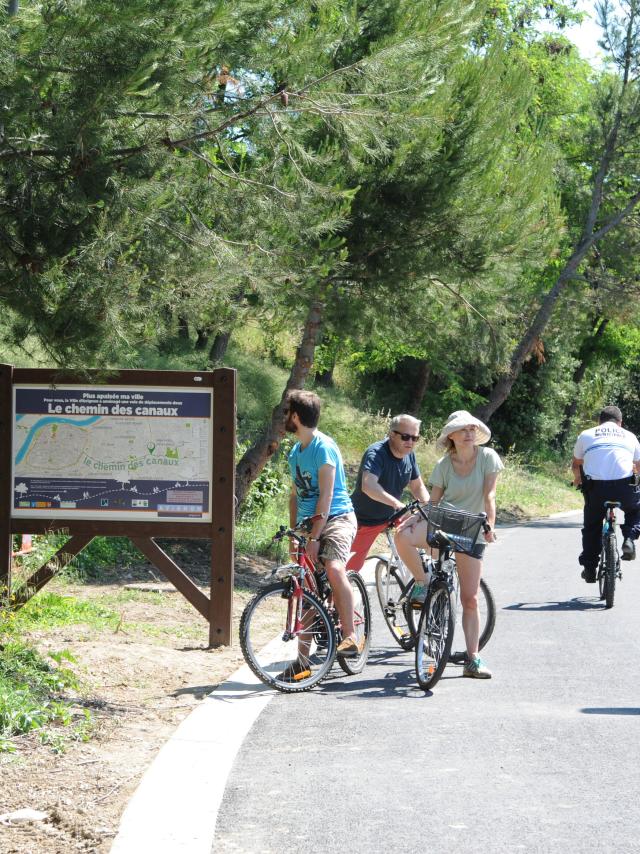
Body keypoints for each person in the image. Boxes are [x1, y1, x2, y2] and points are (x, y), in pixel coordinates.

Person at [395, 410, 503, 679]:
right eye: (462, 429)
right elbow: (433, 503)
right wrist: (414, 519)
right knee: (402, 536)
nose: (468, 433)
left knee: (470, 599)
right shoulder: (444, 464)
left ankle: (473, 659)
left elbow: (490, 495)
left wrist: (490, 524)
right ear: (451, 436)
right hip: (444, 524)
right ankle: (423, 581)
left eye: (471, 429)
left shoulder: (488, 458)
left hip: (473, 527)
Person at [282, 389, 360, 679]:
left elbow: (326, 497)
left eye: (288, 412)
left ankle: (350, 635)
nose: (285, 418)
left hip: (337, 517)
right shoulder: (294, 452)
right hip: (307, 522)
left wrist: (315, 538)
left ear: (296, 416)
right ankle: (302, 662)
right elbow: (294, 496)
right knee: (306, 587)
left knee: (334, 568)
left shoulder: (323, 447)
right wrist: (294, 533)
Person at [346, 414, 430, 571]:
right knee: (348, 571)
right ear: (392, 434)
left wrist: (430, 508)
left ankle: (424, 582)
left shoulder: (409, 454)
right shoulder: (376, 453)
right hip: (365, 520)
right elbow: (368, 486)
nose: (410, 442)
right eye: (405, 437)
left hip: (393, 516)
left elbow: (417, 487)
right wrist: (397, 504)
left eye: (415, 438)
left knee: (433, 535)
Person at [571, 405, 640, 583]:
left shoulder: (586, 434)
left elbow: (577, 464)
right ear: (620, 422)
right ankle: (629, 539)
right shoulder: (630, 436)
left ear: (599, 421)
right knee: (635, 510)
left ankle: (589, 568)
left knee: (592, 524)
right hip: (624, 487)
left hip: (596, 489)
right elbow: (638, 467)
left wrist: (578, 479)